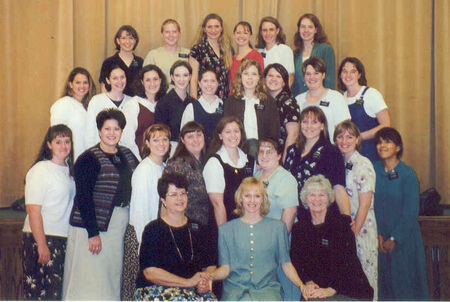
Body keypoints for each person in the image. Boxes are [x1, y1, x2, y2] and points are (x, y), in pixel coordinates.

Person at [63, 108, 139, 300]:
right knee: (90, 277)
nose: (112, 133)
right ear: (99, 131)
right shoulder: (88, 158)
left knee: (110, 275)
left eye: (116, 129)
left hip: (118, 223)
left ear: (122, 131)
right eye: (107, 129)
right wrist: (93, 233)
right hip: (92, 226)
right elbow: (84, 197)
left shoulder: (128, 155)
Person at [212, 177, 306, 301]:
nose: (252, 201)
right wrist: (210, 277)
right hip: (234, 293)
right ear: (240, 198)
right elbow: (225, 268)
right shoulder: (226, 230)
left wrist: (301, 285)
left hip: (268, 292)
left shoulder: (278, 228)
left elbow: (286, 264)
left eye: (257, 196)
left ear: (263, 199)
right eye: (247, 196)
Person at [135, 173, 217, 301]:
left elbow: (210, 264)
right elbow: (150, 273)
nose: (179, 198)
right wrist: (187, 282)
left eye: (182, 193)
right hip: (156, 290)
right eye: (173, 194)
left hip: (193, 290)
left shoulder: (198, 228)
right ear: (163, 201)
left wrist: (205, 281)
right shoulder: (153, 229)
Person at [291, 175, 374, 300]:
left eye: (322, 195)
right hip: (317, 288)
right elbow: (297, 260)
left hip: (347, 288)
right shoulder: (299, 228)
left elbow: (348, 262)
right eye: (312, 195)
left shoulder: (341, 224)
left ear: (329, 198)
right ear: (305, 199)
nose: (317, 199)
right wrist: (308, 282)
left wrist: (332, 289)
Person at [373, 127, 429, 300]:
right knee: (383, 289)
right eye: (379, 142)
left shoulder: (408, 174)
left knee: (406, 288)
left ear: (398, 147)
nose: (382, 145)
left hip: (404, 241)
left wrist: (394, 238)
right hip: (379, 241)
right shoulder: (372, 170)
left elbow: (411, 211)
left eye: (387, 141)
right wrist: (378, 236)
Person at [22, 125, 75, 300]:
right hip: (41, 238)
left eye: (67, 141)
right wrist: (42, 244)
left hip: (62, 238)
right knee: (39, 294)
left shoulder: (70, 171)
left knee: (56, 293)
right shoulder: (40, 170)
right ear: (49, 145)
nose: (63, 146)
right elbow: (33, 210)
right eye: (58, 142)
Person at [122, 124, 171, 300]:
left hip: (156, 237)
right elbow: (140, 211)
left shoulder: (164, 167)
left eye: (165, 139)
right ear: (147, 143)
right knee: (137, 289)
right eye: (156, 139)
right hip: (141, 238)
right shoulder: (144, 170)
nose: (161, 143)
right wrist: (146, 245)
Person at [334, 121, 378, 298]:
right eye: (340, 136)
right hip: (345, 228)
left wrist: (355, 231)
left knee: (366, 277)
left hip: (361, 229)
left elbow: (365, 204)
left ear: (357, 139)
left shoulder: (363, 164)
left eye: (349, 137)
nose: (344, 141)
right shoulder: (338, 162)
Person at [284, 106, 350, 220]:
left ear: (322, 126)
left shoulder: (331, 152)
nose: (309, 126)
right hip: (294, 215)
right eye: (305, 122)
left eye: (314, 122)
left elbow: (338, 188)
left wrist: (347, 219)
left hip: (322, 216)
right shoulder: (291, 150)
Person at [254, 139, 300, 301]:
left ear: (279, 155)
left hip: (278, 242)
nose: (265, 155)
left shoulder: (286, 179)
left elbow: (290, 211)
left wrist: (275, 244)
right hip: (258, 240)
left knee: (284, 286)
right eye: (261, 151)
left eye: (270, 151)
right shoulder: (257, 176)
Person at [203, 116, 255, 227]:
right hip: (224, 224)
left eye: (236, 131)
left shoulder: (249, 161)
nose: (233, 135)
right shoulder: (214, 162)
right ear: (220, 136)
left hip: (246, 223)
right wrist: (225, 234)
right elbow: (217, 204)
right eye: (228, 132)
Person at [224, 59, 280, 157]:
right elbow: (225, 130)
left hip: (262, 152)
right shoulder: (231, 102)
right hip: (237, 149)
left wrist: (264, 153)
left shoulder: (268, 102)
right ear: (240, 77)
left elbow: (274, 133)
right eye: (246, 73)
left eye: (254, 74)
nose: (250, 78)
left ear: (259, 78)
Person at [338, 57, 391, 161]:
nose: (348, 75)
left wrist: (359, 137)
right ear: (340, 75)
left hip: (370, 154)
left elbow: (386, 125)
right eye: (344, 71)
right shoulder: (340, 98)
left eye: (353, 71)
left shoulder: (371, 94)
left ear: (359, 75)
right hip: (348, 156)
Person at [164, 122, 209, 226]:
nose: (196, 140)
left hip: (203, 225)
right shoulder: (177, 165)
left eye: (199, 135)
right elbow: (168, 200)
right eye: (190, 137)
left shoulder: (206, 162)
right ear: (183, 140)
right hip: (183, 226)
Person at [295, 57, 350, 141]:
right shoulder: (298, 100)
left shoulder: (336, 97)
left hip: (330, 150)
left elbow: (344, 130)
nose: (311, 77)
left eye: (316, 73)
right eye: (308, 74)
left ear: (323, 75)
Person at [122, 64, 168, 159]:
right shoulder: (134, 104)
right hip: (138, 159)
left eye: (155, 79)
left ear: (160, 81)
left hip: (161, 160)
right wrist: (138, 160)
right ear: (142, 82)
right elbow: (127, 138)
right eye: (148, 80)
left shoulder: (165, 103)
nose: (152, 83)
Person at [50, 67, 96, 160]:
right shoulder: (63, 103)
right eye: (78, 82)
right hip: (69, 159)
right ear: (70, 84)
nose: (82, 86)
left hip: (84, 159)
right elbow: (56, 135)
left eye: (85, 82)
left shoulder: (88, 107)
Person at [85, 64, 133, 150]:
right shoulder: (97, 101)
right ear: (108, 80)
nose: (119, 81)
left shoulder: (132, 102)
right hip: (101, 152)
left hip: (125, 153)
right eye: (115, 78)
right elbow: (90, 133)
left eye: (122, 77)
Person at [189, 13, 232, 100]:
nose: (213, 30)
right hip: (204, 99)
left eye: (216, 26)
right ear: (204, 29)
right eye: (209, 27)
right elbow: (193, 79)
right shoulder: (197, 50)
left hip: (224, 99)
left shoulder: (227, 50)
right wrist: (194, 101)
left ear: (221, 28)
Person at [292, 13, 335, 96]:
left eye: (310, 27)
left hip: (320, 99)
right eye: (303, 26)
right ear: (299, 29)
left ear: (316, 30)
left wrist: (326, 101)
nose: (306, 30)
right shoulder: (294, 54)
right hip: (300, 100)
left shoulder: (326, 49)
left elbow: (329, 79)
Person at [155, 60, 195, 151]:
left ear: (190, 77)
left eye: (185, 75)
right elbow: (160, 133)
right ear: (172, 77)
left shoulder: (194, 103)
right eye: (177, 75)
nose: (181, 79)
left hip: (192, 149)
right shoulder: (163, 103)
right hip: (171, 150)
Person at [264, 63, 300, 160]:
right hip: (265, 154)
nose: (273, 79)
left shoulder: (288, 102)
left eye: (278, 76)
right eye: (270, 75)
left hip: (282, 155)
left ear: (284, 82)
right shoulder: (262, 101)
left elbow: (293, 134)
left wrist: (284, 160)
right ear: (264, 79)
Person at [180, 69, 223, 144]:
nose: (209, 84)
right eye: (205, 81)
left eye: (213, 81)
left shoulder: (224, 105)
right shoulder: (191, 108)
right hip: (198, 152)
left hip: (220, 151)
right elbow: (185, 135)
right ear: (199, 84)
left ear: (217, 83)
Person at [99, 25, 143, 96]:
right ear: (118, 41)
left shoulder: (140, 62)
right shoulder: (108, 62)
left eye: (131, 38)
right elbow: (103, 88)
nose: (127, 41)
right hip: (114, 104)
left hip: (135, 104)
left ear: (135, 41)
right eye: (123, 38)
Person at [143, 19, 190, 84]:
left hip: (185, 94)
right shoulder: (153, 55)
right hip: (162, 94)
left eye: (174, 32)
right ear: (162, 34)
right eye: (167, 32)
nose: (171, 35)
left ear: (179, 33)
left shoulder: (189, 54)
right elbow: (146, 79)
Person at [256, 16, 294, 86]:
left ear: (277, 31)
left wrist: (283, 95)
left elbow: (290, 77)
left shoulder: (285, 50)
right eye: (264, 30)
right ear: (261, 32)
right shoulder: (258, 52)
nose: (268, 33)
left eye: (271, 30)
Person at [228, 21, 264, 91]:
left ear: (250, 36)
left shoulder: (256, 55)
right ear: (234, 36)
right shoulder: (232, 58)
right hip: (233, 98)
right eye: (238, 33)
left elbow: (260, 80)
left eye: (245, 33)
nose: (241, 36)